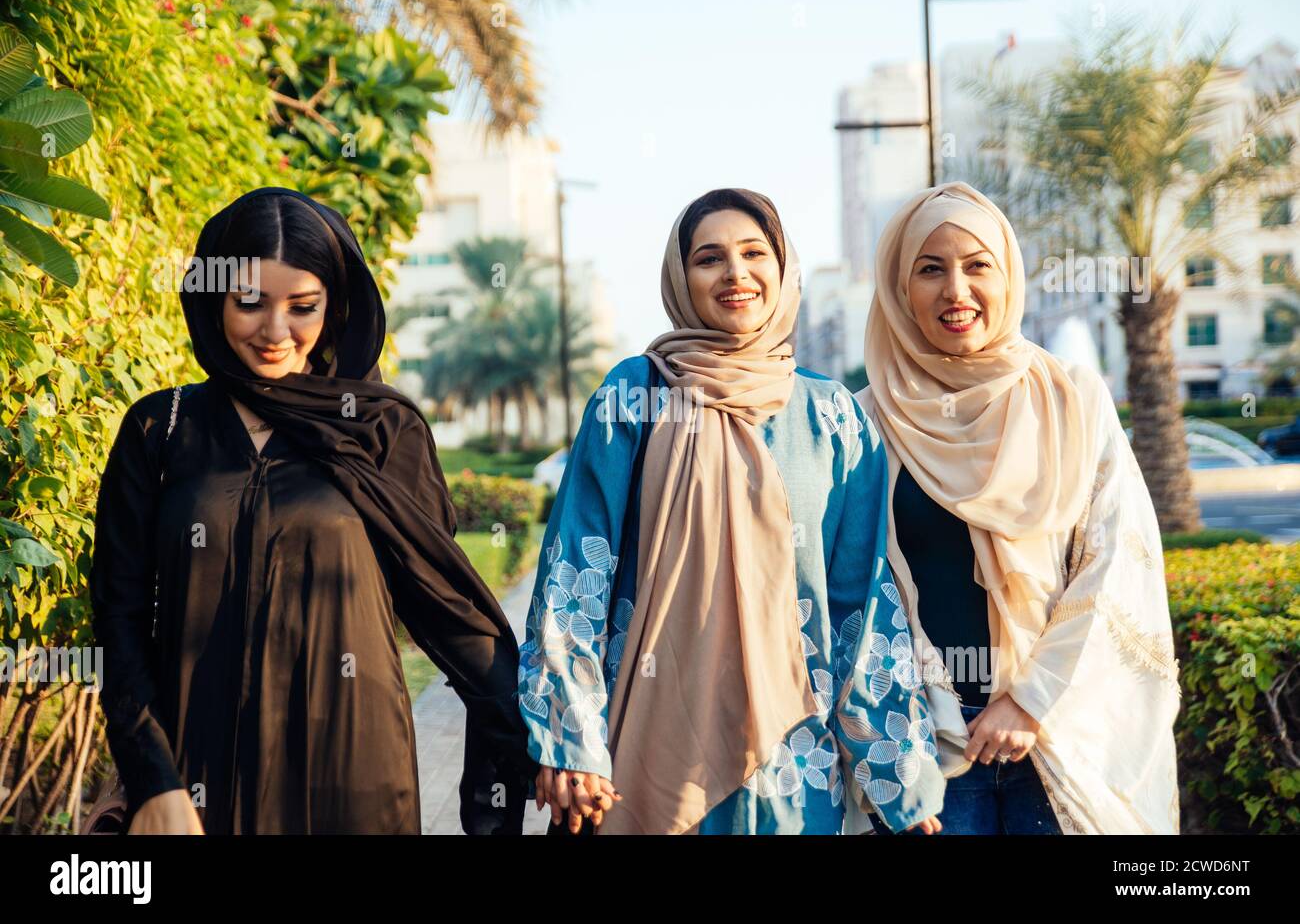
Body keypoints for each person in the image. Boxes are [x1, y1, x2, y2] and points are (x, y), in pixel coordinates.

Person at [90, 187, 531, 834]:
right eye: (250, 303)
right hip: (196, 779)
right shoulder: (162, 428)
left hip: (353, 772)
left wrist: (544, 742)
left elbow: (448, 608)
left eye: (303, 307)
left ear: (337, 304)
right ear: (214, 300)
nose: (275, 332)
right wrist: (153, 775)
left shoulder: (380, 430)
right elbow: (118, 615)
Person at [519, 188, 945, 835]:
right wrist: (567, 739)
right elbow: (574, 575)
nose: (735, 273)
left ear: (782, 268)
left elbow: (863, 608)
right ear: (681, 277)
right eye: (709, 258)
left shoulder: (834, 418)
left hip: (795, 773)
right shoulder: (632, 396)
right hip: (640, 759)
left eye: (754, 253)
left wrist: (901, 783)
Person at [857, 181, 1181, 834]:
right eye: (929, 268)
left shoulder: (1074, 400)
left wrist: (1028, 701)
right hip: (925, 749)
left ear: (1009, 278)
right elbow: (852, 592)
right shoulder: (864, 422)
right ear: (898, 289)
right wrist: (909, 732)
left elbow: (1114, 562)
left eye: (978, 265)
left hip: (1057, 737)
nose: (956, 289)